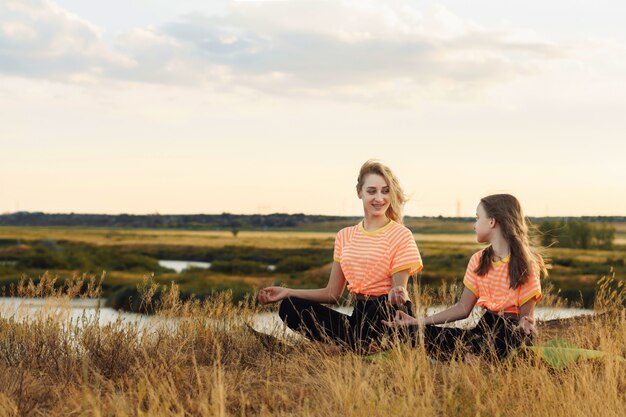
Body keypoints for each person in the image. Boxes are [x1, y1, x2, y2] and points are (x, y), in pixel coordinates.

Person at [258, 160, 423, 353]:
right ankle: (357, 347)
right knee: (290, 307)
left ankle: (336, 348)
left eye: (385, 191)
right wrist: (287, 292)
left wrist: (399, 292)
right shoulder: (345, 236)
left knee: (379, 305)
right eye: (372, 191)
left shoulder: (401, 234)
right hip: (359, 316)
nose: (379, 198)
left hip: (388, 313)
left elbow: (398, 291)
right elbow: (332, 294)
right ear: (359, 192)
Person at [384, 194, 548, 360]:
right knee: (412, 332)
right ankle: (468, 354)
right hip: (484, 329)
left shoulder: (526, 264)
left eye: (477, 218)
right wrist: (417, 322)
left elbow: (526, 317)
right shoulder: (478, 260)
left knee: (504, 341)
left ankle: (465, 355)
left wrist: (525, 324)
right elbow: (463, 309)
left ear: (492, 221)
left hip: (510, 331)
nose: (474, 225)